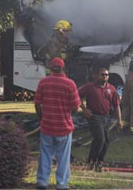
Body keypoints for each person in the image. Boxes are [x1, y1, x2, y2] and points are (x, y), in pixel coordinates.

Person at [34, 57, 81, 190]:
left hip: (47, 126)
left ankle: (42, 183)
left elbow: (37, 103)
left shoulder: (43, 83)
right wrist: (68, 114)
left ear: (50, 68)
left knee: (45, 156)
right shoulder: (70, 84)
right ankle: (62, 184)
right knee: (63, 159)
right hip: (64, 127)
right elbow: (76, 107)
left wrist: (41, 117)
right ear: (62, 68)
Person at [79, 67, 123, 172]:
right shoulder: (90, 86)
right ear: (96, 76)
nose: (104, 76)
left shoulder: (111, 89)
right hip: (94, 116)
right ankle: (90, 163)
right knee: (100, 139)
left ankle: (99, 164)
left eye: (106, 75)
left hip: (106, 117)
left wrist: (119, 120)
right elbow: (77, 95)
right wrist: (84, 109)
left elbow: (116, 105)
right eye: (102, 74)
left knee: (106, 141)